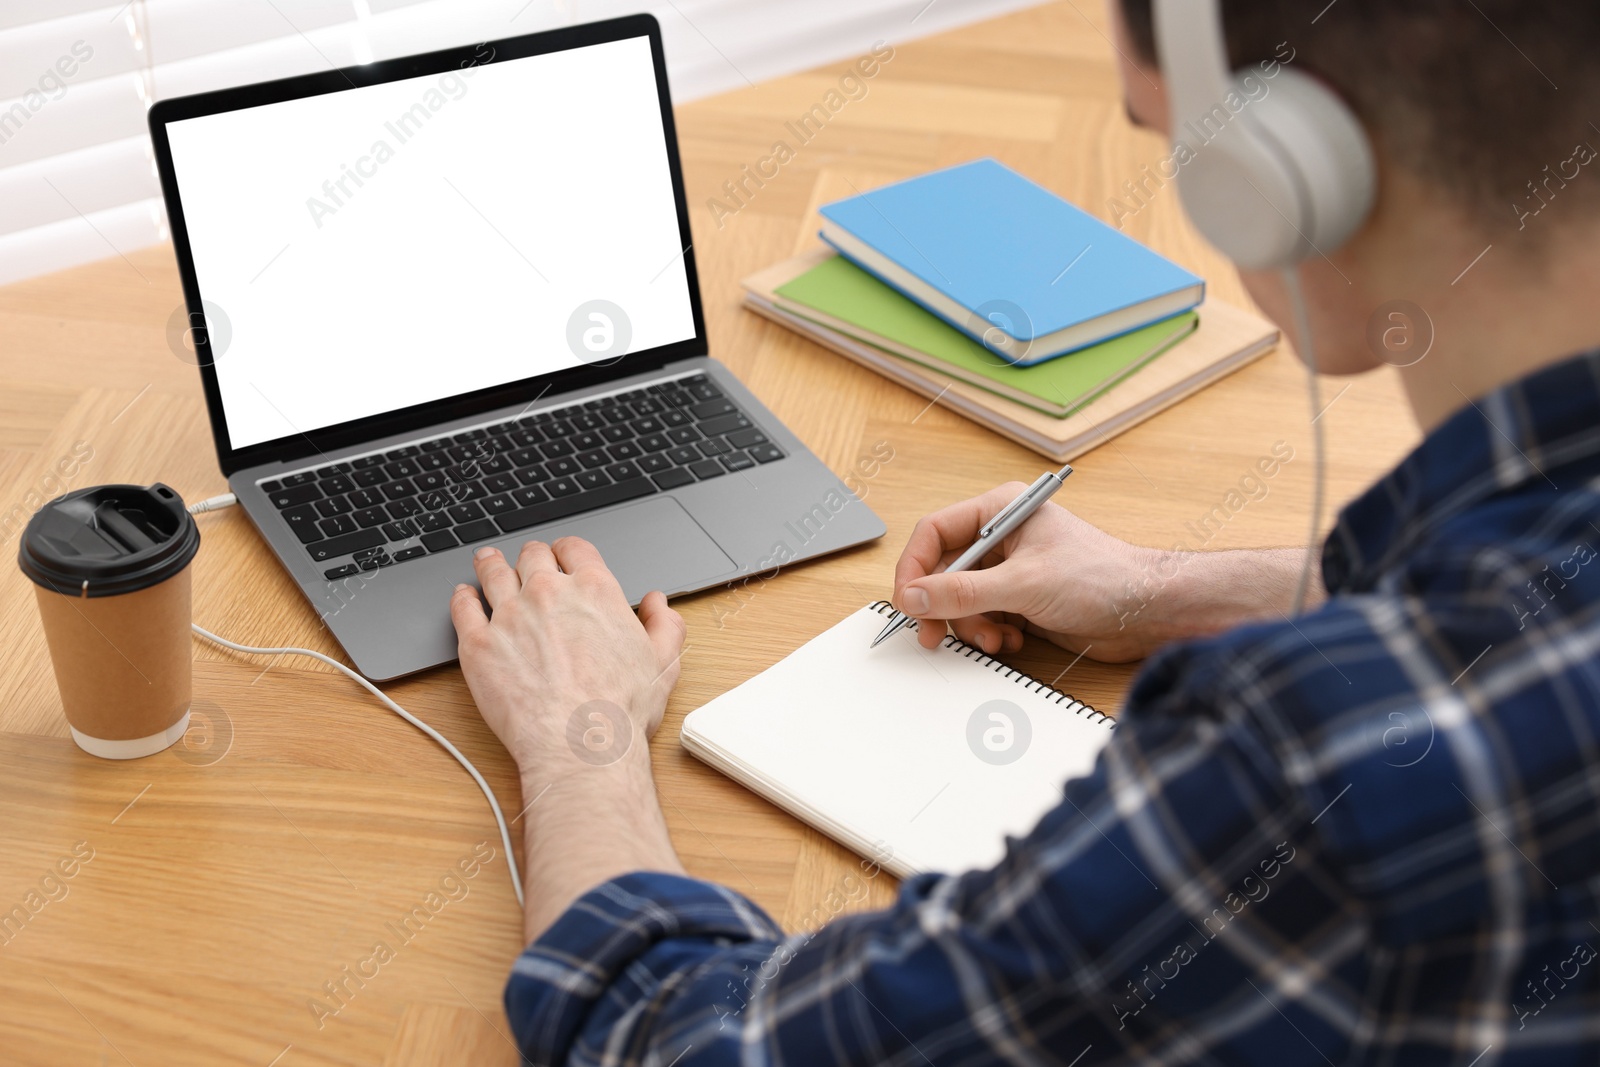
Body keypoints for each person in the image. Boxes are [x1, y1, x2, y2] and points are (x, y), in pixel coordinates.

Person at [448, 1, 1600, 1062]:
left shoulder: (1303, 765)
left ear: (1286, 174)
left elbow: (674, 1041)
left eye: (1176, 145)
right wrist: (1161, 587)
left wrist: (577, 738)